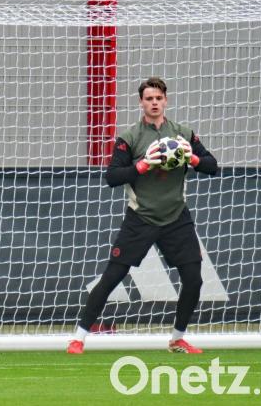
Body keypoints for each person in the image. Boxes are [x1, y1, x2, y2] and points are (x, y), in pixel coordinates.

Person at [68, 77, 218, 355]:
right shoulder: (130, 138)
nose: (154, 103)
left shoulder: (183, 134)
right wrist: (142, 165)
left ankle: (177, 339)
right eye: (149, 99)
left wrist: (193, 159)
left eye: (158, 98)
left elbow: (212, 166)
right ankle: (78, 338)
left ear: (166, 100)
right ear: (141, 103)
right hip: (141, 217)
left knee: (194, 279)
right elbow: (112, 177)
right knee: (112, 277)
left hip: (176, 217)